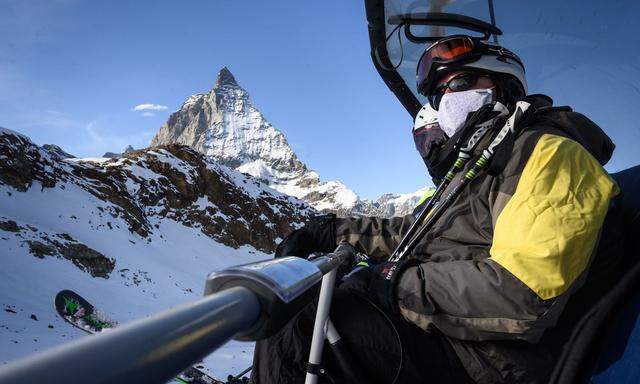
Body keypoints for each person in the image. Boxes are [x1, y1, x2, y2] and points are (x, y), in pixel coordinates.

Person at [251, 35, 623, 384]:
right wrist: (334, 231)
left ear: (502, 86)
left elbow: (522, 294)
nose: (446, 100)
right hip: (446, 332)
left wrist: (395, 284)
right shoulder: (477, 168)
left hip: (490, 357)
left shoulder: (550, 156)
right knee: (308, 308)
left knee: (299, 325)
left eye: (458, 85)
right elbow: (413, 232)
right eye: (438, 94)